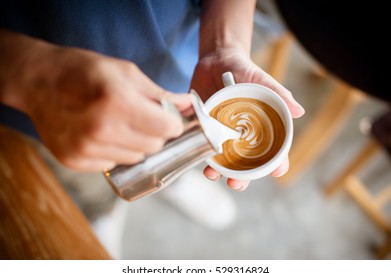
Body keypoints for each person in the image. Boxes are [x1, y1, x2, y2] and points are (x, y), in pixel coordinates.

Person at [0, 0, 304, 258]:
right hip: (56, 105)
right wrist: (32, 74)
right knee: (89, 178)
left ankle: (173, 176)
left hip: (185, 67)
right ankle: (103, 212)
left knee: (183, 145)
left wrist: (223, 47)